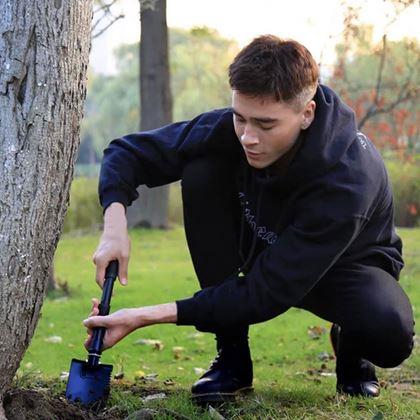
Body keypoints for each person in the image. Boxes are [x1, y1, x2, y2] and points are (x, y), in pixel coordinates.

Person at [84, 35, 414, 404]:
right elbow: (127, 153)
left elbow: (265, 293)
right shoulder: (233, 130)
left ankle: (353, 346)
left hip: (341, 271)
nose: (248, 137)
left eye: (265, 125)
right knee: (201, 169)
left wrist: (141, 317)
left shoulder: (349, 177)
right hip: (261, 246)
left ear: (307, 114)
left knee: (390, 331)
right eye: (240, 118)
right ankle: (233, 360)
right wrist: (113, 224)